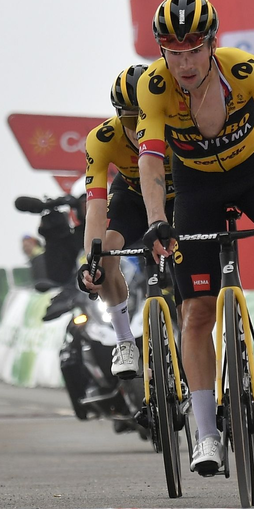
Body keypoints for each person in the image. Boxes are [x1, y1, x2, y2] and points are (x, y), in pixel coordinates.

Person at [135, 0, 254, 475]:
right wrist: (157, 218)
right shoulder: (154, 88)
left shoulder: (244, 70)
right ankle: (206, 433)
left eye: (194, 49)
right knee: (196, 312)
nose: (184, 62)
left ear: (211, 44)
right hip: (196, 188)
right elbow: (152, 161)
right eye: (173, 51)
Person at [77, 64, 176, 380]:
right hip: (132, 195)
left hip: (180, 193)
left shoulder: (180, 123)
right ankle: (124, 341)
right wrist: (91, 262)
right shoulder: (102, 139)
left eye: (145, 116)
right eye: (130, 119)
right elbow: (95, 207)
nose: (138, 128)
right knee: (104, 252)